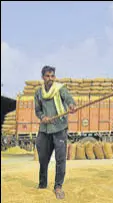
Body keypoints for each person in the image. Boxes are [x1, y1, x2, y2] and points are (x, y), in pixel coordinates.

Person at [34, 65, 76, 199]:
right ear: (43, 77)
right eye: (47, 76)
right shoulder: (38, 93)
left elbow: (69, 99)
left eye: (52, 76)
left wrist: (71, 105)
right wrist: (43, 117)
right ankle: (42, 184)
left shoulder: (60, 89)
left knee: (60, 159)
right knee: (43, 159)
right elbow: (38, 110)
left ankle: (58, 186)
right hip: (44, 130)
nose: (50, 79)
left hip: (59, 129)